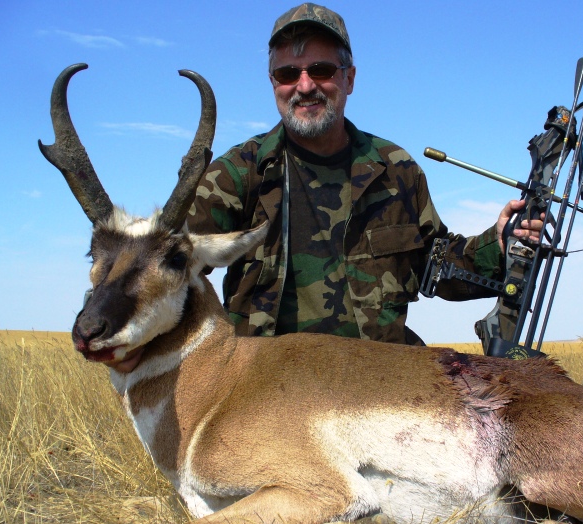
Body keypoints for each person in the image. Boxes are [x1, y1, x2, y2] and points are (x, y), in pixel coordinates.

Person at [187, 3, 543, 345]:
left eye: (322, 70)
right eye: (288, 74)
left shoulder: (396, 169)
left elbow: (437, 265)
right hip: (271, 392)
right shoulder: (237, 173)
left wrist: (498, 244)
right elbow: (169, 262)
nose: (305, 85)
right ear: (273, 82)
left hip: (381, 384)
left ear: (350, 78)